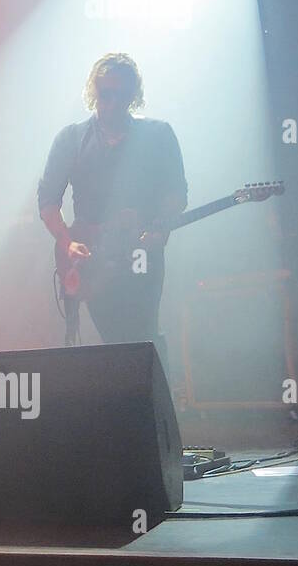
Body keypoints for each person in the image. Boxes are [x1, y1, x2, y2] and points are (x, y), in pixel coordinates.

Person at [37, 54, 187, 363]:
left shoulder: (158, 135)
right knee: (115, 342)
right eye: (106, 94)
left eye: (122, 95)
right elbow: (48, 201)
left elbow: (176, 193)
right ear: (94, 92)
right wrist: (68, 243)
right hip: (92, 256)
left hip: (140, 252)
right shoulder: (71, 139)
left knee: (143, 335)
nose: (114, 103)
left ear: (134, 95)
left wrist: (158, 225)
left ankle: (154, 400)